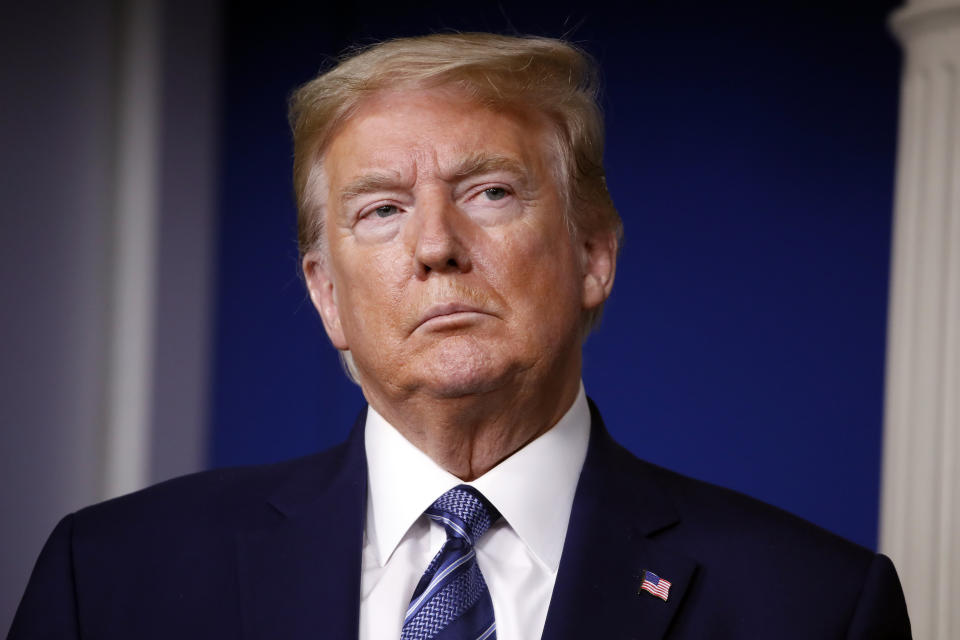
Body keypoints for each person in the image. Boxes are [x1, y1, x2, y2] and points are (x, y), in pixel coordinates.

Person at [9, 33, 910, 640]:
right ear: (327, 297)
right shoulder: (114, 580)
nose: (436, 245)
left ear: (593, 254)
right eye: (382, 208)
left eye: (490, 192)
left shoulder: (816, 605)